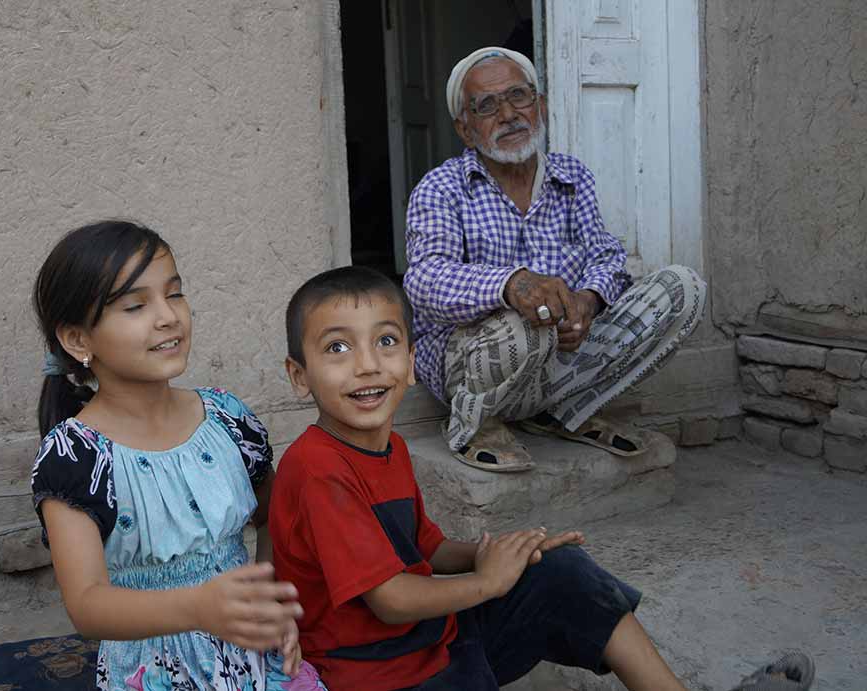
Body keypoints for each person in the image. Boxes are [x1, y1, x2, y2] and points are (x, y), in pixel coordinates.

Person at [267, 266, 813, 691]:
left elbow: (425, 548)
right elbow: (389, 598)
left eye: (385, 342)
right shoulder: (317, 470)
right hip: (376, 675)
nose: (366, 365)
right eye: (337, 348)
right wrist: (488, 582)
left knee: (561, 573)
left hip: (429, 645)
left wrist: (498, 552)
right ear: (299, 376)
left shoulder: (393, 448)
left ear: (410, 363)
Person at [29, 220, 326, 691]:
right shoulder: (75, 458)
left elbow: (274, 517)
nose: (168, 316)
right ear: (78, 340)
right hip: (154, 672)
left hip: (255, 658)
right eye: (135, 305)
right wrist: (198, 607)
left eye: (175, 294)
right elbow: (87, 605)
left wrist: (263, 603)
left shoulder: (227, 419)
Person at [404, 46, 708, 471]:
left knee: (683, 288)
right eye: (487, 106)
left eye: (519, 96)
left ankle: (565, 409)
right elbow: (424, 280)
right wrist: (512, 285)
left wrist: (589, 299)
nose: (508, 114)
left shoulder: (572, 176)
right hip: (479, 363)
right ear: (466, 129)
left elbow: (605, 253)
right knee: (527, 322)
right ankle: (477, 422)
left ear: (540, 105)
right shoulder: (442, 187)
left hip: (558, 358)